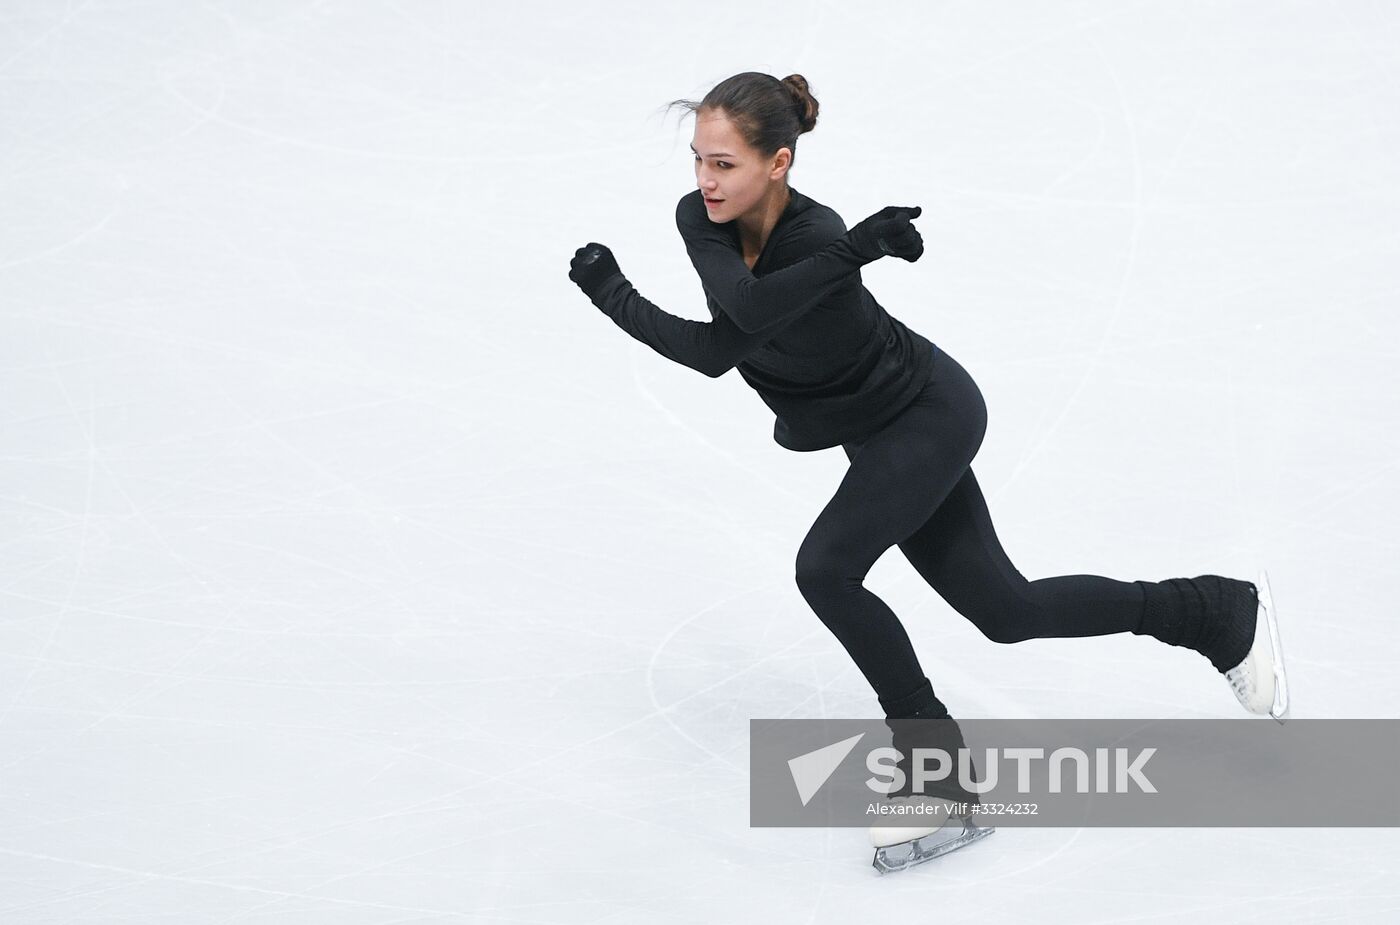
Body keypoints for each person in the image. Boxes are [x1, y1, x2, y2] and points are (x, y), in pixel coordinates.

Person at [567, 71, 1289, 870]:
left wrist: (847, 253)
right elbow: (726, 337)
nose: (706, 179)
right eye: (699, 159)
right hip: (880, 435)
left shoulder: (815, 236)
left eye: (725, 164)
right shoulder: (704, 219)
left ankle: (934, 764)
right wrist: (614, 295)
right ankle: (1213, 612)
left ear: (778, 163)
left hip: (929, 413)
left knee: (826, 569)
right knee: (1005, 609)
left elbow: (756, 311)